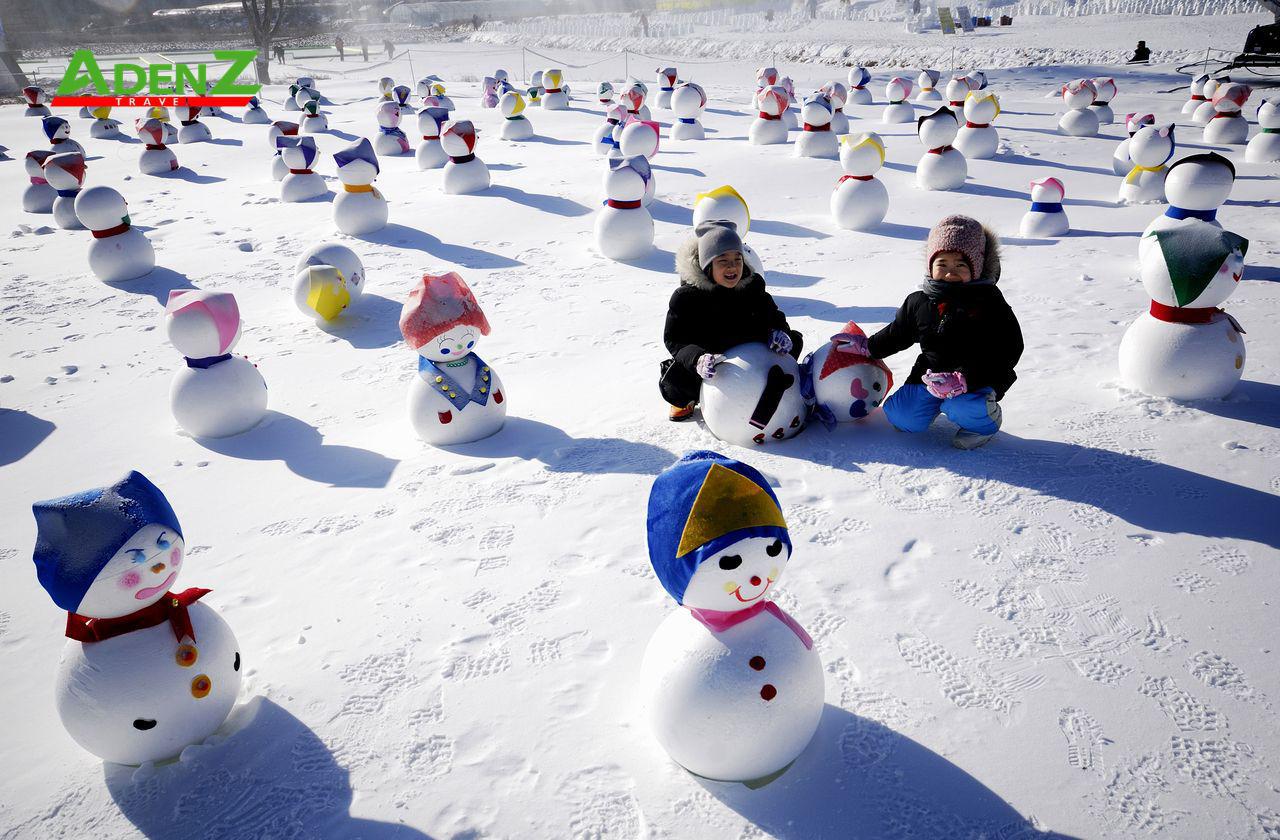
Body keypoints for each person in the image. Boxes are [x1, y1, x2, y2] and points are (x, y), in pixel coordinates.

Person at [846, 215, 1022, 449]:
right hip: (931, 376)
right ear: (931, 266)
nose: (950, 273)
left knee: (960, 406)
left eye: (960, 265)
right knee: (901, 417)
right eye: (943, 264)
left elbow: (1009, 349)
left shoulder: (990, 304)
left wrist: (965, 379)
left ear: (977, 267)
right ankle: (934, 405)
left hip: (976, 381)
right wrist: (867, 347)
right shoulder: (920, 301)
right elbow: (897, 334)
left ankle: (984, 423)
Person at [660, 221, 804, 422]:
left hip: (749, 351)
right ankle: (687, 400)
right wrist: (697, 359)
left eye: (737, 259)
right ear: (707, 266)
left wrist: (779, 332)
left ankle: (774, 386)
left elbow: (774, 316)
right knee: (677, 378)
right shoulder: (686, 298)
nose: (732, 266)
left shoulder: (753, 287)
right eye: (723, 261)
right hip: (712, 360)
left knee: (794, 340)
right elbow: (676, 340)